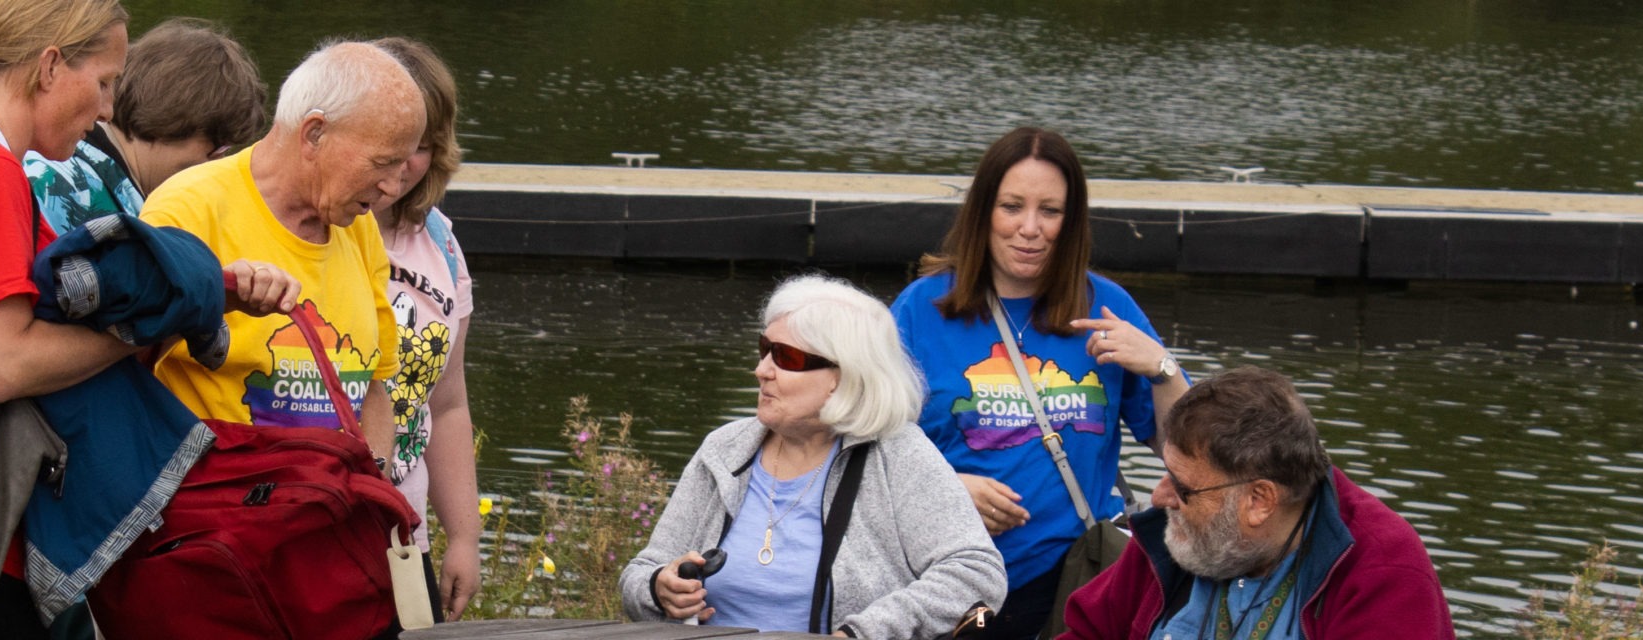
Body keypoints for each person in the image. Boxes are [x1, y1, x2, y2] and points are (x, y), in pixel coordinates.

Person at [0, 0, 292, 635]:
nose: (109, 110)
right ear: (50, 67)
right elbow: (2, 364)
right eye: (104, 82)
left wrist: (209, 289)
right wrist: (144, 326)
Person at [891, 126, 1193, 639]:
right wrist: (947, 490)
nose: (1030, 228)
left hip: (1077, 587)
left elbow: (1193, 455)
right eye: (1012, 206)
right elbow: (861, 448)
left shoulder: (1107, 308)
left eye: (1049, 211)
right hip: (950, 582)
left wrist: (1160, 367)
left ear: (1070, 221)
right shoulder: (922, 310)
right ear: (983, 211)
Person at [623, 275, 1007, 639]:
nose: (761, 370)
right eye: (763, 349)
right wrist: (658, 589)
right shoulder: (725, 448)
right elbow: (639, 574)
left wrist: (861, 633)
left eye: (785, 357)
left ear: (843, 376)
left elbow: (976, 574)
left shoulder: (898, 452)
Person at [140, 39, 422, 478]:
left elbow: (372, 389)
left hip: (325, 517)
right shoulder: (188, 210)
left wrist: (375, 483)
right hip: (215, 519)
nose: (391, 188)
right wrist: (216, 296)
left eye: (401, 167)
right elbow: (122, 362)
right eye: (382, 163)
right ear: (314, 133)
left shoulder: (357, 224)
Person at [1059, 367, 1454, 639]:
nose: (1161, 498)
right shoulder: (1171, 535)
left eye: (1184, 487)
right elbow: (1088, 632)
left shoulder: (1384, 574)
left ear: (1259, 500)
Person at [365, 35, 483, 621]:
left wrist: (463, 536)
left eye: (423, 147)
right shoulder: (299, 228)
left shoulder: (440, 242)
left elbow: (449, 401)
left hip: (402, 538)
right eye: (393, 144)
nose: (406, 164)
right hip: (296, 527)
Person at [23, 16, 269, 234]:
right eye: (217, 151)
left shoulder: (71, 161)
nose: (216, 169)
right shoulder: (76, 191)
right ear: (177, 118)